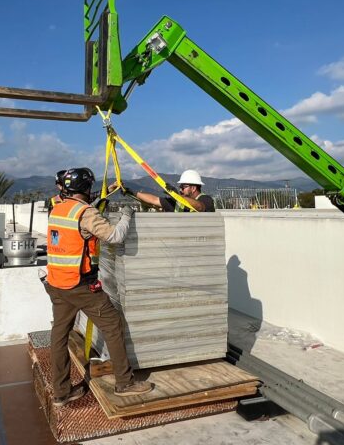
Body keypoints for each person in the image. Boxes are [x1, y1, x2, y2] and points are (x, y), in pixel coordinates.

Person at [44, 167, 153, 407]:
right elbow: (114, 237)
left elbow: (80, 210)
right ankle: (125, 383)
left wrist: (107, 194)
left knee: (59, 336)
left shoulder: (58, 208)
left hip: (57, 283)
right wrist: (126, 214)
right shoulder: (86, 213)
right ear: (86, 187)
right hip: (80, 286)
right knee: (113, 324)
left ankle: (61, 393)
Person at [120, 169, 216, 212]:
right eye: (180, 187)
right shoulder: (177, 203)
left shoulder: (206, 200)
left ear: (193, 188)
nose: (181, 189)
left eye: (183, 187)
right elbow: (153, 200)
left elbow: (199, 207)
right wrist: (132, 192)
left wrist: (177, 196)